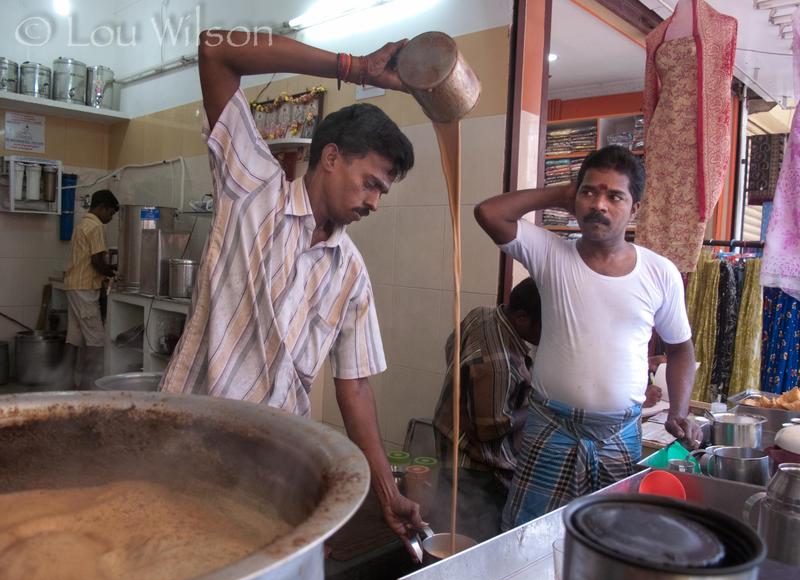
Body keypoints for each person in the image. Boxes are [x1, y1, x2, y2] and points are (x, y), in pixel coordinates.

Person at [160, 30, 426, 552]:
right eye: (371, 182)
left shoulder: (351, 274)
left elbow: (356, 389)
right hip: (191, 444)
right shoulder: (251, 189)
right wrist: (357, 69)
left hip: (271, 469)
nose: (375, 202)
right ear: (331, 158)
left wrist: (387, 491)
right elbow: (216, 48)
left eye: (383, 191)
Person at [474, 145, 701, 528]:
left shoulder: (659, 272)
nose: (600, 205)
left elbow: (680, 350)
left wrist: (679, 411)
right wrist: (561, 192)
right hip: (551, 429)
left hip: (619, 435)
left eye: (615, 196)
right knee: (528, 539)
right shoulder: (550, 254)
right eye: (589, 192)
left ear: (635, 208)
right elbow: (488, 213)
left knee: (610, 540)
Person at [432, 277, 541, 542]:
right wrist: (536, 406)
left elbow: (451, 346)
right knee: (470, 541)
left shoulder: (483, 315)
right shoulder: (501, 364)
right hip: (477, 471)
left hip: (451, 446)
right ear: (523, 317)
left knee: (448, 527)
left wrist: (466, 395)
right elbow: (489, 428)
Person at [63, 190, 119, 389]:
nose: (110, 218)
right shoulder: (96, 226)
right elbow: (96, 261)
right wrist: (112, 273)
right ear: (102, 208)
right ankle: (88, 387)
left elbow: (90, 259)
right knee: (96, 340)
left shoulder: (82, 224)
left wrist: (108, 269)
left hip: (73, 286)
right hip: (85, 289)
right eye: (111, 213)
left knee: (74, 338)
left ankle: (65, 381)